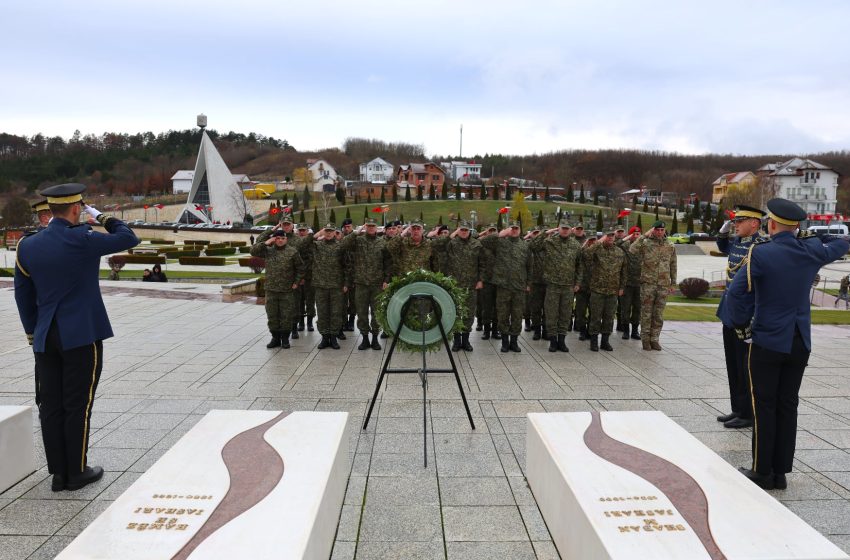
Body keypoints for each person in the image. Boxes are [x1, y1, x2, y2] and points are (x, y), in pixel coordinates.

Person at [14, 183, 139, 492]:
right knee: (77, 404)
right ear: (75, 209)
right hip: (80, 335)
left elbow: (23, 297)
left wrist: (33, 334)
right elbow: (128, 237)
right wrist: (101, 215)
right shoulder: (83, 238)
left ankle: (58, 473)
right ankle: (77, 471)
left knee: (51, 405)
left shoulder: (26, 247)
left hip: (45, 337)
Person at [727, 198, 849, 490]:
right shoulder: (811, 250)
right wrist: (810, 234)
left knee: (764, 406)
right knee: (787, 405)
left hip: (768, 339)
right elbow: (843, 243)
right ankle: (780, 472)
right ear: (797, 226)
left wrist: (742, 328)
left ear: (770, 224)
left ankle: (761, 470)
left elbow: (737, 295)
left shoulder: (760, 252)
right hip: (799, 340)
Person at [715, 205, 767, 429]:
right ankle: (737, 408)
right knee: (732, 365)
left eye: (740, 221)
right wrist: (723, 229)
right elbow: (722, 245)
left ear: (754, 223)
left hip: (746, 314)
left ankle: (748, 413)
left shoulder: (761, 247)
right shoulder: (738, 241)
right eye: (735, 221)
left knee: (745, 366)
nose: (736, 224)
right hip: (729, 311)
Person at [430, 221, 484, 351]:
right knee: (455, 312)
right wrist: (450, 235)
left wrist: (480, 280)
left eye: (466, 230)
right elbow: (436, 244)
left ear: (469, 231)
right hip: (454, 285)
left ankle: (466, 341)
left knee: (469, 313)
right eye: (462, 230)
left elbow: (482, 263)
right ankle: (456, 340)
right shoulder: (451, 243)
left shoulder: (477, 244)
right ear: (458, 230)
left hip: (471, 285)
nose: (464, 232)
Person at [481, 221, 533, 353]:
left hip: (519, 286)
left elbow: (529, 266)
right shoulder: (500, 242)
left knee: (517, 315)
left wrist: (528, 284)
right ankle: (504, 342)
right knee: (502, 314)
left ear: (520, 230)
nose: (514, 230)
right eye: (512, 228)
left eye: (517, 228)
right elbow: (484, 242)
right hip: (503, 286)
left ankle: (514, 342)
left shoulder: (525, 246)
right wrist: (500, 234)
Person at [340, 219, 391, 351]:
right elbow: (344, 244)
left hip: (377, 283)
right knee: (361, 312)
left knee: (376, 312)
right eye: (368, 226)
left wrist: (386, 280)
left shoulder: (382, 242)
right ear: (365, 227)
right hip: (361, 283)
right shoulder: (358, 240)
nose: (370, 228)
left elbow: (388, 263)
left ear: (376, 228)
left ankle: (375, 338)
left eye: (373, 226)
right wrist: (356, 232)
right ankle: (364, 338)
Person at [250, 230, 305, 349]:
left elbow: (300, 268)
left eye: (282, 238)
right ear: (274, 239)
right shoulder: (268, 251)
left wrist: (296, 282)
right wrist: (267, 241)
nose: (280, 240)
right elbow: (253, 250)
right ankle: (275, 338)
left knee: (286, 316)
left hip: (287, 290)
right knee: (272, 316)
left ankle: (285, 339)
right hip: (271, 290)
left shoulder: (292, 252)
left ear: (286, 239)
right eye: (278, 238)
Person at [532, 220, 581, 352]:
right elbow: (533, 246)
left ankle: (562, 341)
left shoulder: (575, 245)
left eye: (567, 228)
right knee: (551, 313)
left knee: (565, 314)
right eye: (562, 228)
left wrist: (578, 283)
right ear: (558, 229)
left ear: (571, 230)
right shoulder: (550, 242)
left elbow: (579, 265)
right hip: (553, 285)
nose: (565, 230)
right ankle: (553, 341)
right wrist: (545, 233)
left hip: (568, 286)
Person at [629, 220, 677, 350]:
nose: (660, 232)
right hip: (648, 284)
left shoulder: (670, 245)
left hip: (663, 284)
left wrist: (673, 283)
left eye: (662, 230)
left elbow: (673, 264)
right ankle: (645, 339)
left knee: (658, 314)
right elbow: (632, 249)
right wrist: (644, 235)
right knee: (646, 313)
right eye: (657, 230)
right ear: (653, 230)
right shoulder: (645, 243)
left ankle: (655, 339)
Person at [301, 224, 348, 349]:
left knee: (335, 313)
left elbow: (346, 266)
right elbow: (303, 245)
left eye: (331, 231)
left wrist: (346, 283)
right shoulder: (317, 246)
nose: (328, 233)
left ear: (334, 233)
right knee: (322, 313)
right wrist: (317, 233)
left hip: (336, 286)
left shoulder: (340, 246)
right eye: (326, 231)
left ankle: (333, 337)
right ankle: (324, 337)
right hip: (320, 285)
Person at [583, 231, 626, 351]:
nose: (610, 238)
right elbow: (586, 255)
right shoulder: (597, 249)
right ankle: (594, 341)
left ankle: (605, 341)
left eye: (612, 236)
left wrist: (622, 287)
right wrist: (599, 242)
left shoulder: (619, 252)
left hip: (613, 291)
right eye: (608, 236)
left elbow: (624, 271)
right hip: (597, 290)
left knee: (609, 317)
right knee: (595, 317)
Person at [616, 226, 643, 340]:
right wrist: (627, 238)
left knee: (638, 308)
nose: (636, 236)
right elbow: (615, 245)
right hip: (626, 283)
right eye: (634, 234)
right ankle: (626, 330)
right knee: (625, 308)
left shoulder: (644, 246)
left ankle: (635, 331)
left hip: (640, 283)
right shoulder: (626, 246)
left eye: (638, 234)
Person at [478, 224, 501, 341]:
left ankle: (495, 330)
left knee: (497, 307)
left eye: (494, 230)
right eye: (490, 231)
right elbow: (480, 263)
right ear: (486, 232)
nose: (492, 233)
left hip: (499, 281)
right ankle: (486, 330)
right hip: (487, 280)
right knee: (486, 306)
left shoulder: (501, 244)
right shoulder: (482, 245)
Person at [525, 227, 546, 339]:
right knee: (535, 308)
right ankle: (537, 330)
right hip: (534, 282)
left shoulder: (548, 245)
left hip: (547, 282)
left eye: (539, 233)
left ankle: (546, 330)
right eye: (535, 233)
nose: (537, 235)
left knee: (547, 308)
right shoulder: (529, 246)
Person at [574, 231, 594, 340]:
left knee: (593, 311)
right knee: (580, 311)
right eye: (590, 241)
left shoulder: (598, 253)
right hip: (582, 287)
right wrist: (585, 243)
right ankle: (582, 330)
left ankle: (590, 331)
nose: (591, 243)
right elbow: (578, 252)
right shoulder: (582, 253)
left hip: (594, 287)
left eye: (594, 241)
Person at [296, 224, 316, 331]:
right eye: (300, 230)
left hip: (310, 278)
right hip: (298, 279)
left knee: (310, 301)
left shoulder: (312, 244)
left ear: (307, 232)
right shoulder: (295, 244)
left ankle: (309, 323)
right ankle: (301, 323)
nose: (302, 232)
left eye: (304, 230)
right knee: (299, 301)